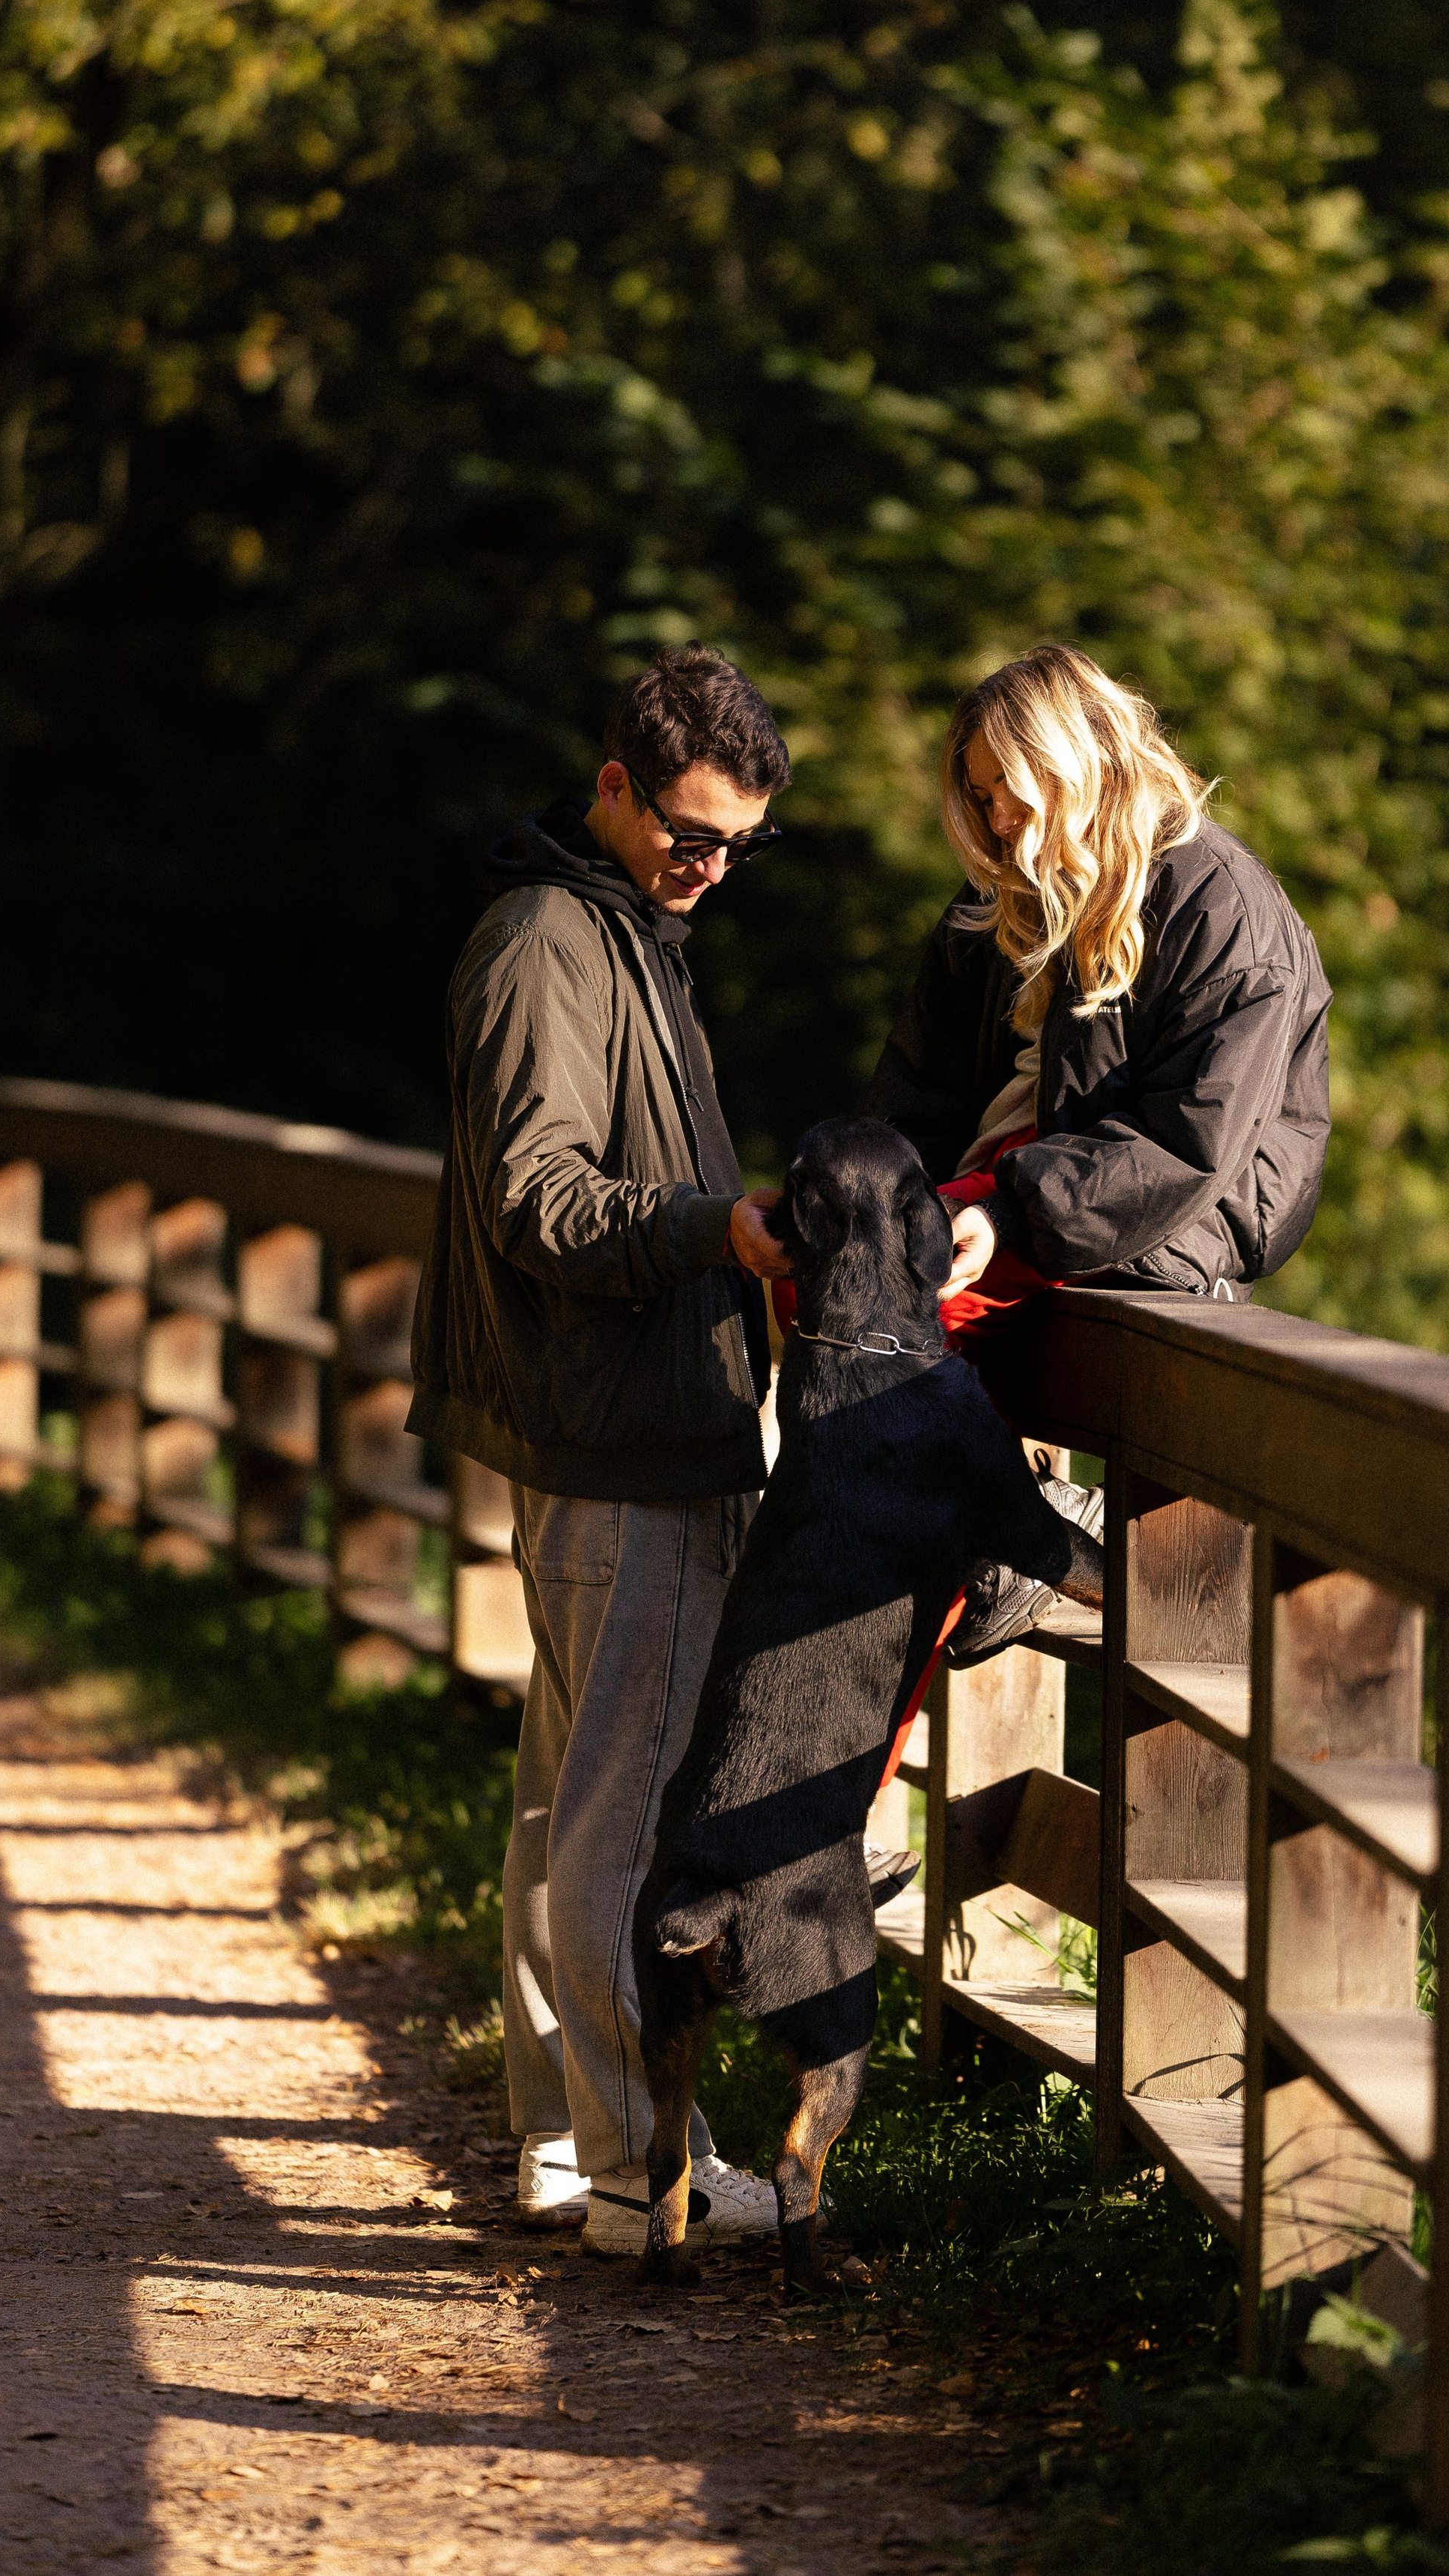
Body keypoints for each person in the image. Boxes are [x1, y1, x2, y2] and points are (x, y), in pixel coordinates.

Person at [407, 644, 797, 2254]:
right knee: (616, 1826)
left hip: (627, 1429)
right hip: (621, 1442)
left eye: (738, 848)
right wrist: (724, 1225)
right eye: (689, 832)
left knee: (567, 1806)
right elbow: (542, 1199)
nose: (710, 868)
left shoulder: (624, 928)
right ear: (614, 785)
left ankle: (575, 2147)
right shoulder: (546, 943)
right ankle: (647, 2170)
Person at [869, 642, 1331, 1663]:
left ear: (1077, 766)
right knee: (843, 1297)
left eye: (1012, 792)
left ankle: (1015, 1536)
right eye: (979, 796)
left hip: (1162, 1214)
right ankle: (1012, 1526)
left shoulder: (1221, 907)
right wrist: (866, 1208)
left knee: (899, 1326)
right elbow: (918, 1098)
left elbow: (1188, 1141)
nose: (994, 821)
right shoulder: (998, 899)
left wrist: (1005, 1209)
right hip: (1013, 1186)